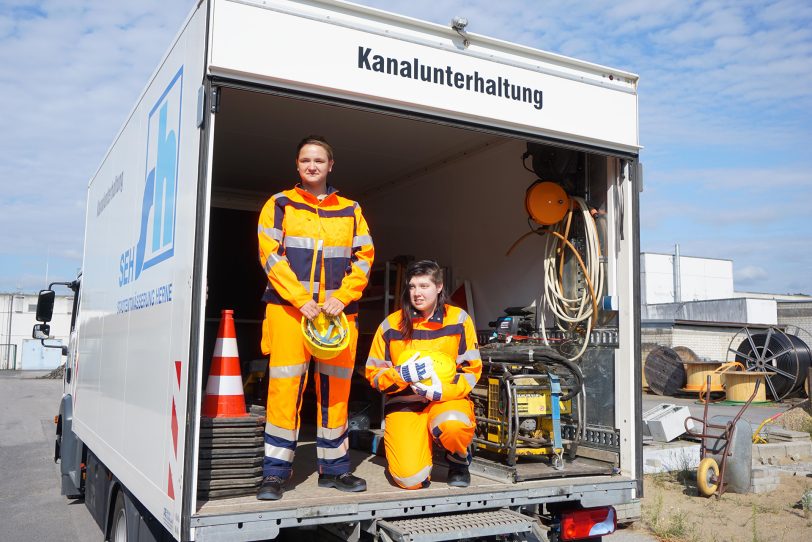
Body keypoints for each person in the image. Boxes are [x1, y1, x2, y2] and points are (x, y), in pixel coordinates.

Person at [256, 135, 374, 500]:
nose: (312, 166)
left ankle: (334, 470)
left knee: (336, 392)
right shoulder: (279, 204)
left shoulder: (351, 209)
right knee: (285, 391)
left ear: (330, 166)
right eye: (306, 160)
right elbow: (270, 255)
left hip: (338, 317)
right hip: (290, 312)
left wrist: (342, 297)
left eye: (319, 161)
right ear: (297, 165)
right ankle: (275, 474)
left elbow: (365, 257)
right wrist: (300, 299)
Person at [365, 260, 482, 489]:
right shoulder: (391, 325)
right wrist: (401, 375)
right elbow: (374, 374)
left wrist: (441, 392)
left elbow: (471, 370)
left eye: (424, 286)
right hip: (406, 402)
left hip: (446, 400)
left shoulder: (458, 319)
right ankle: (420, 455)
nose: (417, 293)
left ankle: (457, 458)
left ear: (438, 287)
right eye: (412, 287)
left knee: (453, 424)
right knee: (409, 479)